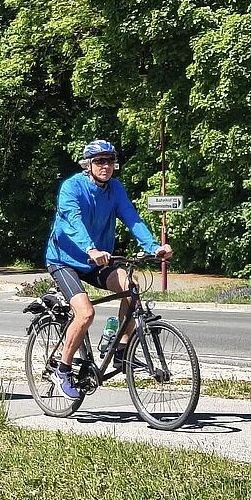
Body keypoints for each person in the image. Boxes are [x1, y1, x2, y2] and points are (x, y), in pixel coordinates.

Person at [44, 139, 173, 399]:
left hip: (98, 260)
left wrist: (154, 247)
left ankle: (121, 351)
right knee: (85, 313)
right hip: (64, 260)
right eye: (99, 161)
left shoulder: (115, 189)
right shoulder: (72, 187)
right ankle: (63, 369)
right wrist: (90, 249)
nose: (105, 166)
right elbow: (72, 221)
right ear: (88, 165)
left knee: (131, 289)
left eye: (110, 161)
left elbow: (132, 218)